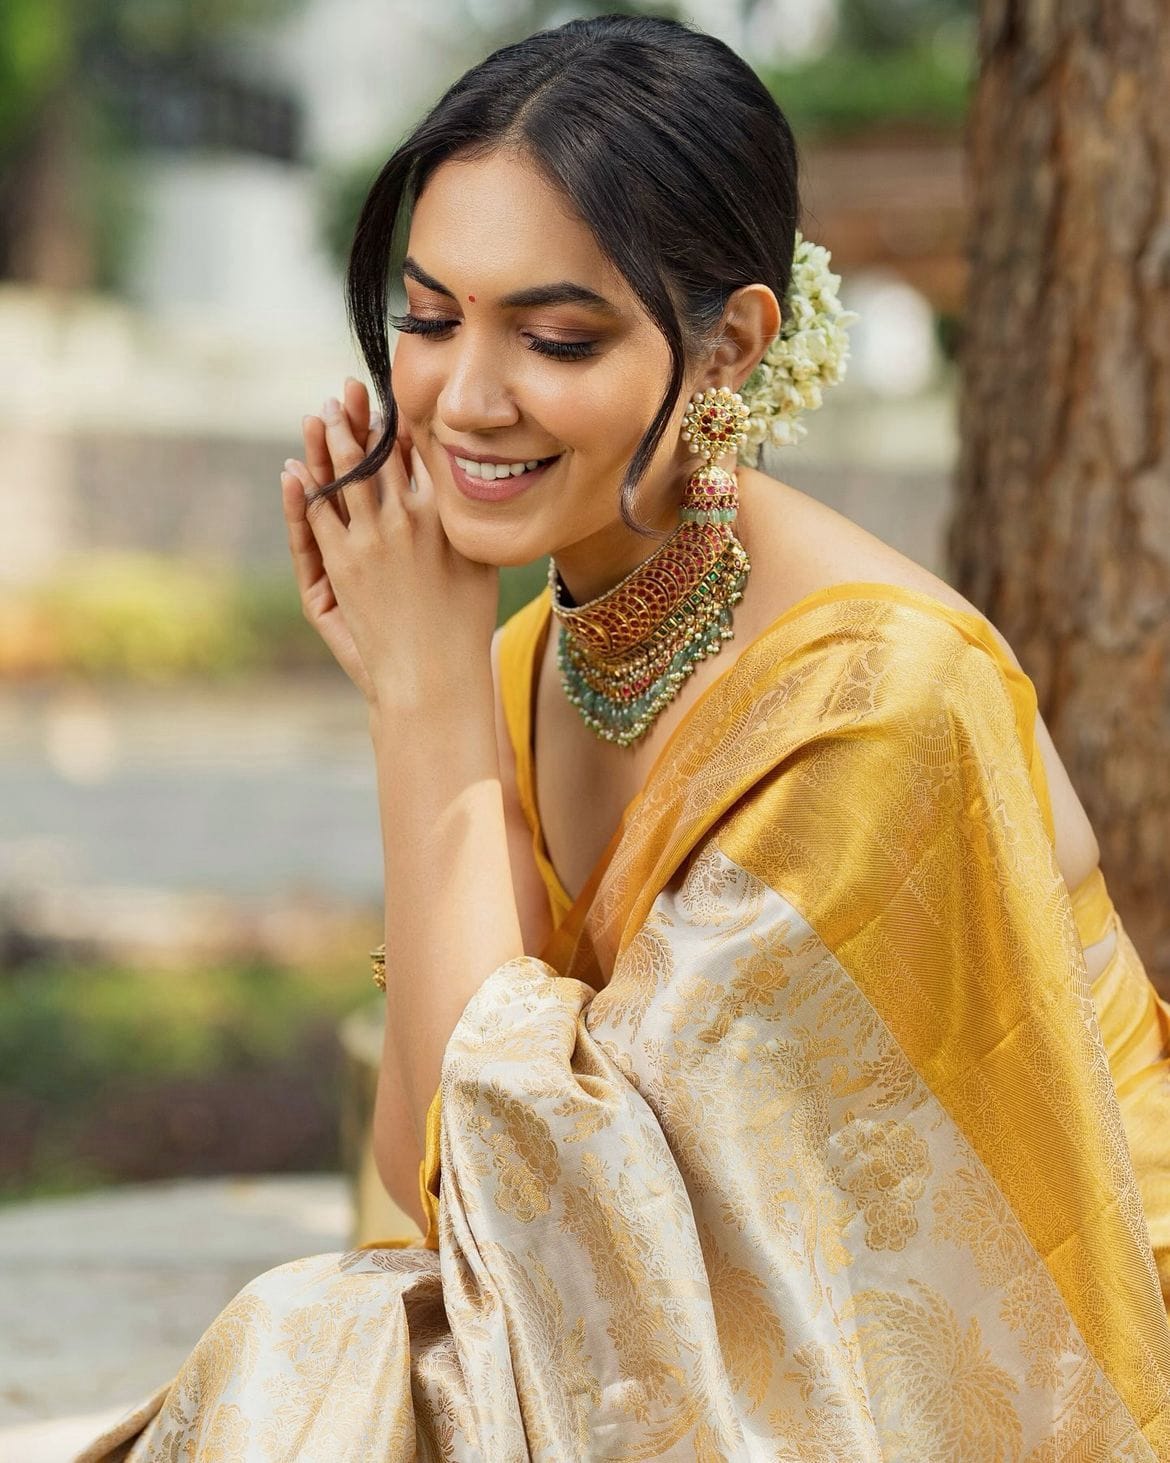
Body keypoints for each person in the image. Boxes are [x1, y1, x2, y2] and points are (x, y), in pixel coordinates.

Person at [78, 12, 1170, 1460]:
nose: (465, 396)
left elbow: (567, 1259)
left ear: (729, 345)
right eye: (427, 315)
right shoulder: (528, 661)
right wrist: (435, 701)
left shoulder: (876, 706)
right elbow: (436, 1190)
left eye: (554, 336)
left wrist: (428, 707)